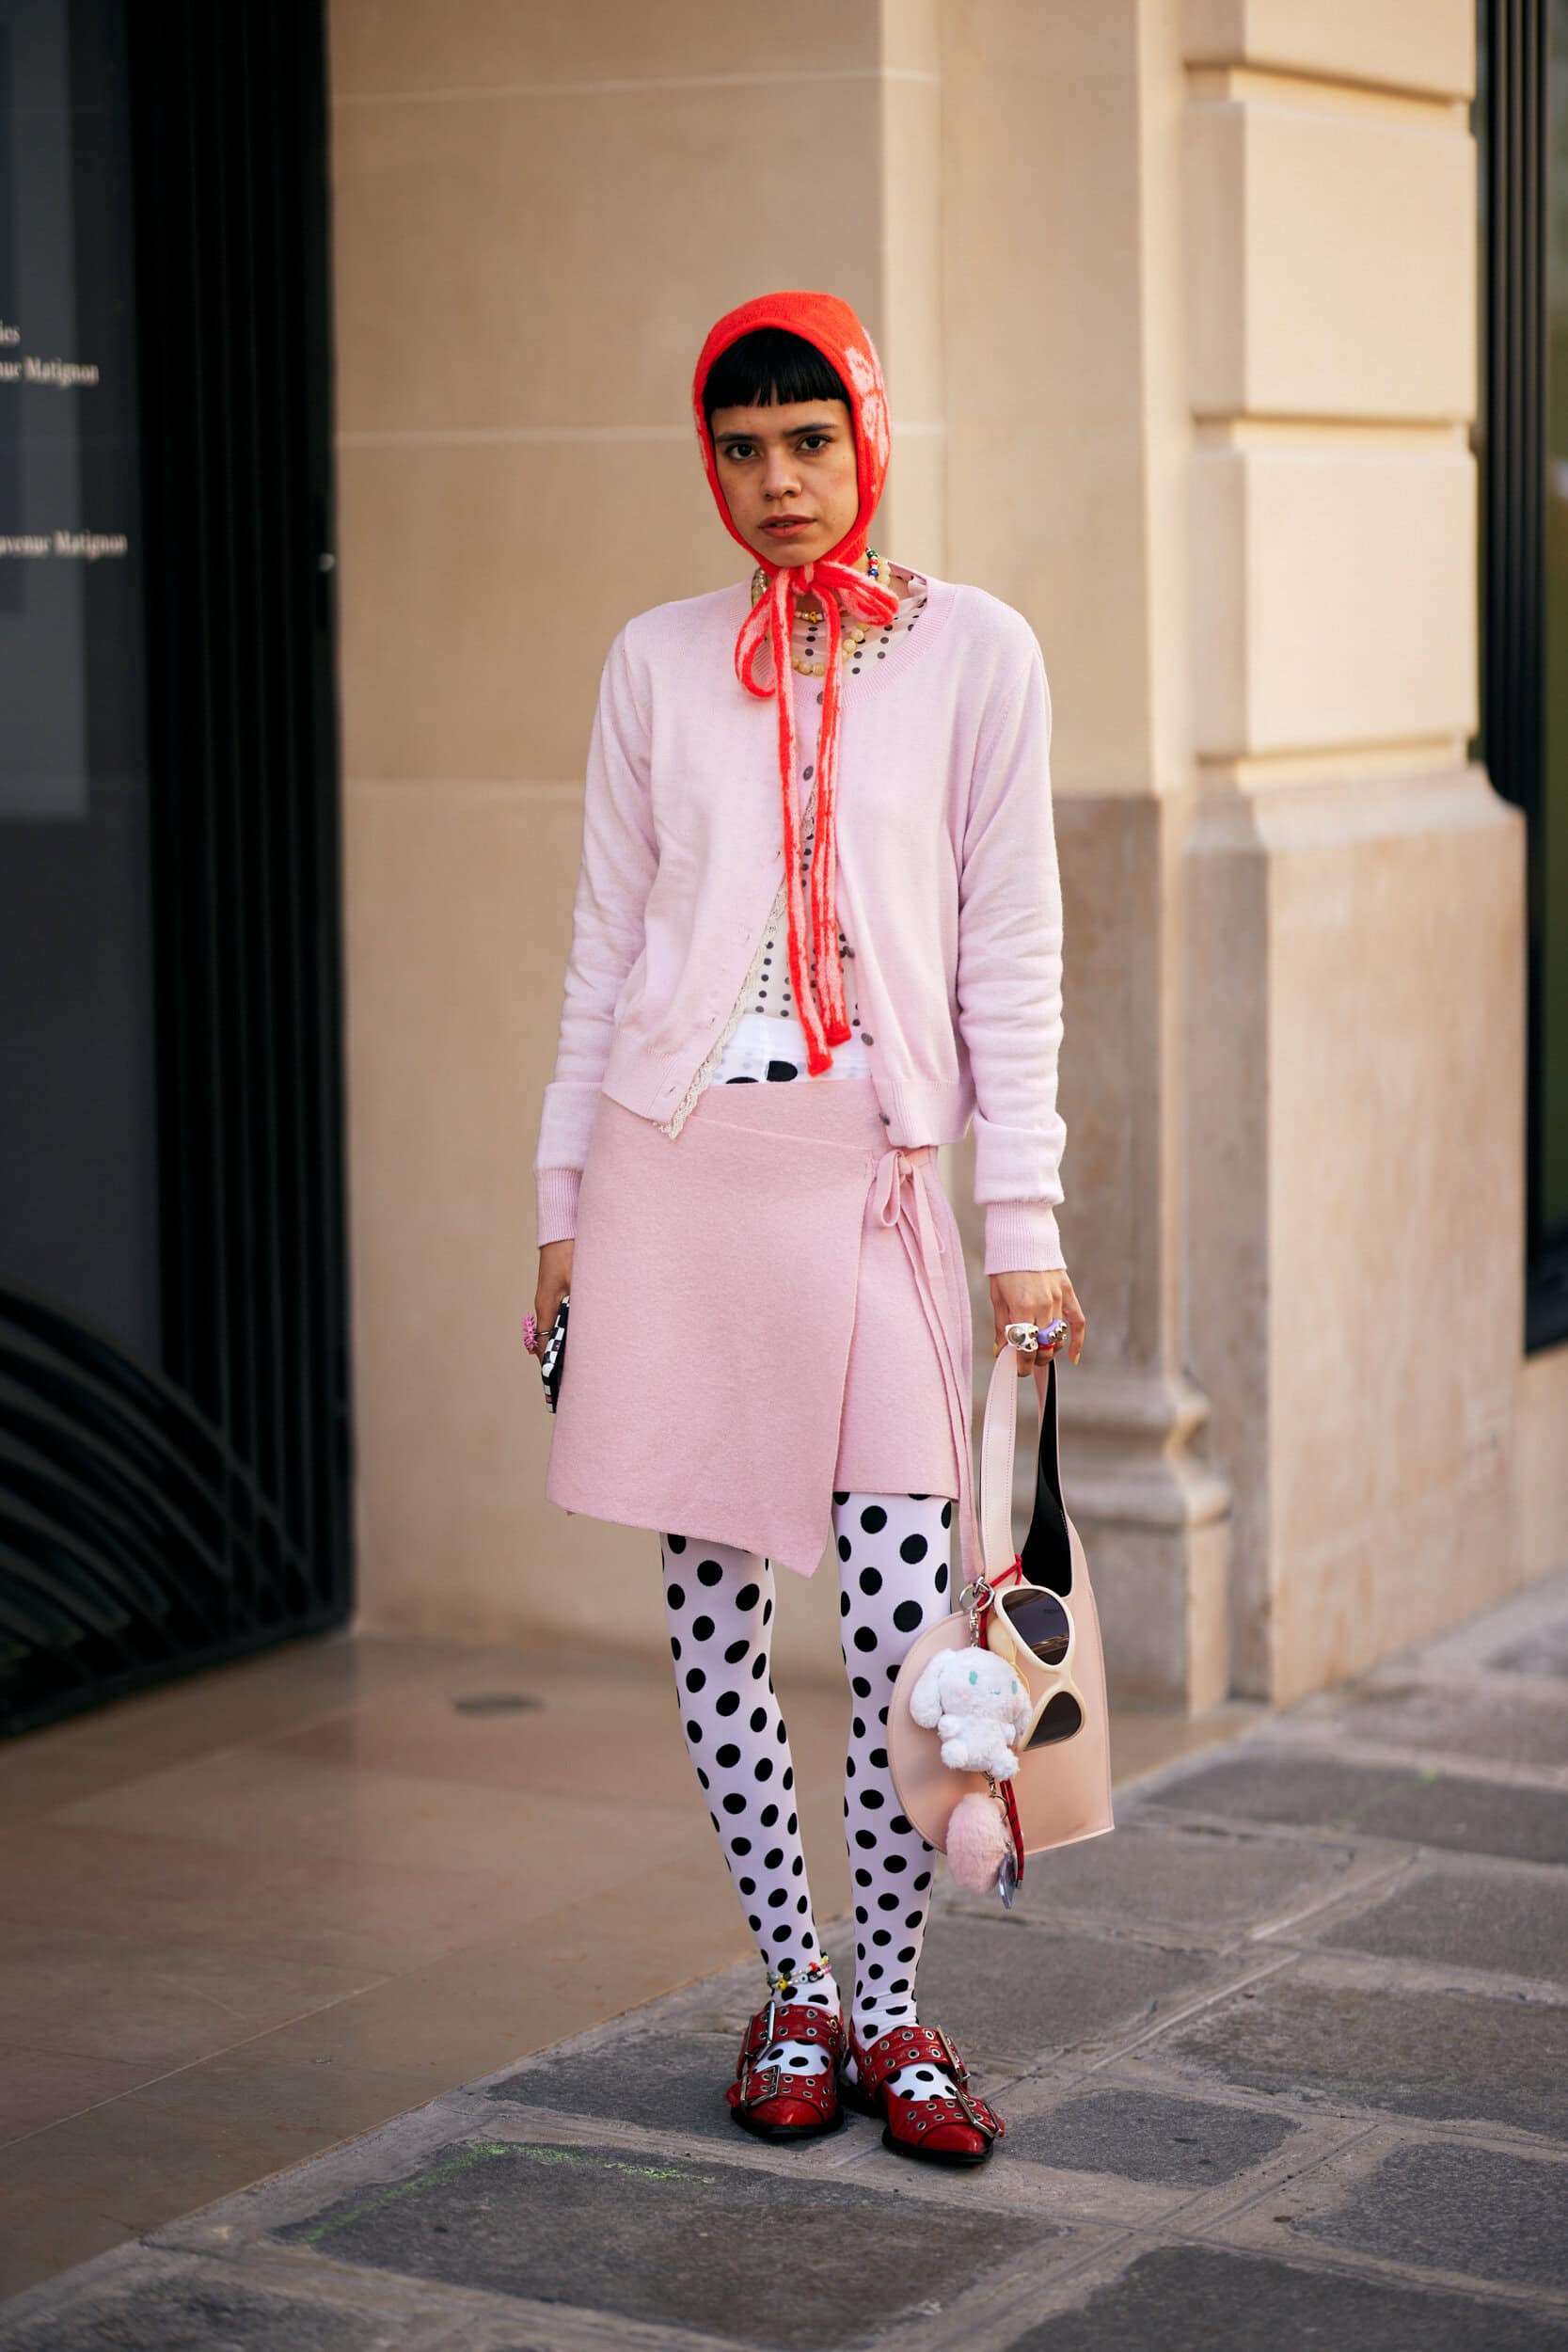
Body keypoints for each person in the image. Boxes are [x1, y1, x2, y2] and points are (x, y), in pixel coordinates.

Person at [528, 289, 1085, 2167]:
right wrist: (562, 1211)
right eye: (744, 448)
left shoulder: (977, 652)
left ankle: (903, 2005)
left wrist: (1022, 1214)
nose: (779, 480)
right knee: (714, 1621)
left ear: (869, 437)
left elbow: (1013, 948)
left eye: (811, 439)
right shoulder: (653, 660)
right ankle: (798, 1988)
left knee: (904, 1624)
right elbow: (604, 954)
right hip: (678, 1181)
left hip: (874, 1192)